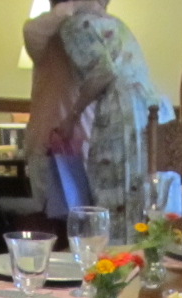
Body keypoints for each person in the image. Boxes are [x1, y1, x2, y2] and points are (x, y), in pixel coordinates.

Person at [56, 2, 175, 232]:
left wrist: (72, 116)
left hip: (121, 115)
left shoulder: (75, 26)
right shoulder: (117, 23)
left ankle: (118, 253)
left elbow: (103, 72)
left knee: (115, 200)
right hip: (151, 111)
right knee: (146, 199)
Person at [22, 0, 104, 216]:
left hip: (95, 151)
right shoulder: (45, 39)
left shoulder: (102, 38)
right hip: (50, 150)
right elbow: (31, 30)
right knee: (54, 225)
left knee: (96, 226)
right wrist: (75, 7)